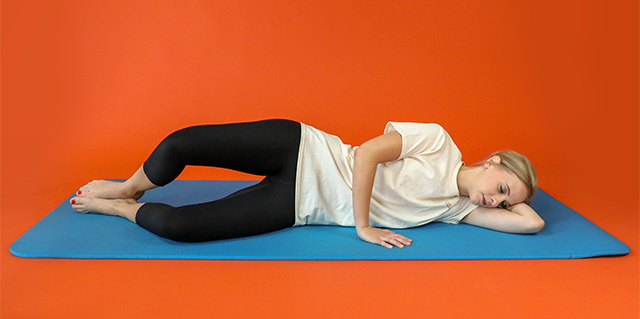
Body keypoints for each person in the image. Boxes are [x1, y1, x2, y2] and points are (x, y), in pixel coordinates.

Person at [70, 119, 544, 247]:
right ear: (493, 161)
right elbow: (371, 155)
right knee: (179, 145)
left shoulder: (456, 209)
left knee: (178, 228)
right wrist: (363, 226)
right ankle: (127, 186)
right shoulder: (439, 142)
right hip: (302, 147)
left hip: (296, 205)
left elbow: (532, 224)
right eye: (502, 187)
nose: (495, 201)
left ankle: (119, 208)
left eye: (503, 204)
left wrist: (516, 202)